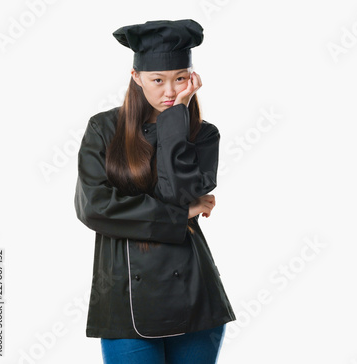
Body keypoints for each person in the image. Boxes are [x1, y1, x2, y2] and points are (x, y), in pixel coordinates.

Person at [74, 19, 236, 364]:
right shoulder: (103, 129)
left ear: (191, 79)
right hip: (125, 298)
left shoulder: (204, 135)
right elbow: (94, 207)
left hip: (196, 297)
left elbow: (177, 190)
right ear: (136, 77)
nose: (169, 91)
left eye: (180, 79)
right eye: (157, 80)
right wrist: (179, 215)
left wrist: (177, 116)